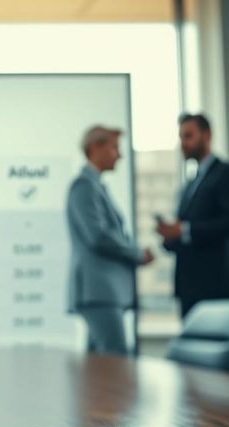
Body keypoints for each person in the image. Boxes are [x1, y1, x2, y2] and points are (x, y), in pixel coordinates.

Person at [66, 125, 154, 355]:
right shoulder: (84, 186)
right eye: (115, 148)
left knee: (98, 367)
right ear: (95, 148)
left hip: (102, 291)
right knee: (116, 360)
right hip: (99, 290)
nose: (120, 155)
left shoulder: (95, 187)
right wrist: (136, 253)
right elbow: (98, 236)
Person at [156, 113, 229, 318]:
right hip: (188, 287)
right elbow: (183, 233)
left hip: (216, 284)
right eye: (180, 137)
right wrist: (170, 235)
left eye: (188, 136)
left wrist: (184, 229)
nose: (183, 143)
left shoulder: (228, 173)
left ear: (206, 135)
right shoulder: (188, 185)